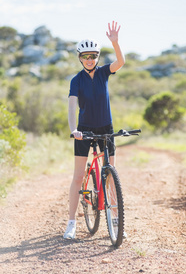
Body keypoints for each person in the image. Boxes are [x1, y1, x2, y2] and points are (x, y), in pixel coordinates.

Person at [64, 21, 125, 239]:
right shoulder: (76, 80)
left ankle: (116, 222)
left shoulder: (103, 73)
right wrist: (74, 130)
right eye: (85, 56)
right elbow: (72, 106)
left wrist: (115, 42)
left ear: (97, 57)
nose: (89, 60)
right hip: (84, 129)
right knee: (78, 176)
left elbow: (120, 62)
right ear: (80, 58)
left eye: (93, 56)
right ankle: (71, 222)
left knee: (110, 176)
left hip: (106, 128)